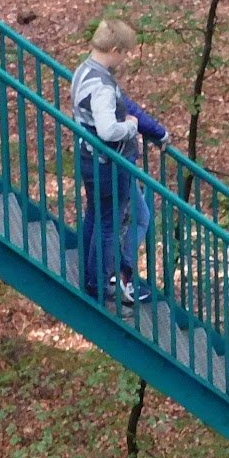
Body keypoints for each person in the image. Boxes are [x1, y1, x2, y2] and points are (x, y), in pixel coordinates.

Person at [70, 18, 168, 305]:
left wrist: (154, 130)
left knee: (104, 215)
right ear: (114, 49)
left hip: (93, 160)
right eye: (124, 53)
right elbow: (108, 129)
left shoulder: (84, 71)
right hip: (108, 164)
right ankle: (101, 282)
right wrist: (131, 126)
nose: (124, 59)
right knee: (110, 223)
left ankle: (109, 275)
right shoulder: (102, 86)